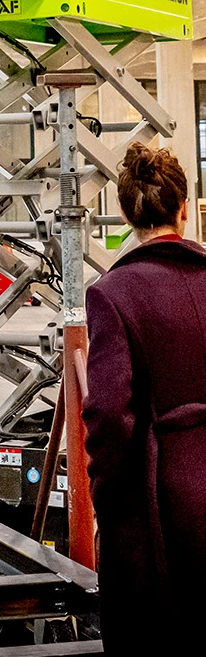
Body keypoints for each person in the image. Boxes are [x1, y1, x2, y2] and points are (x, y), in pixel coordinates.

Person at [83, 142, 206, 653]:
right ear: (184, 209)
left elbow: (108, 416)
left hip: (155, 509)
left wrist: (105, 502)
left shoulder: (113, 293)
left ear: (126, 215)